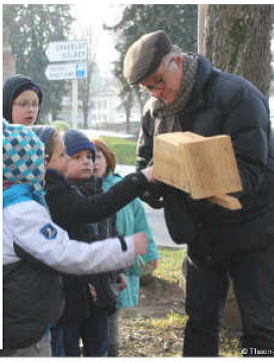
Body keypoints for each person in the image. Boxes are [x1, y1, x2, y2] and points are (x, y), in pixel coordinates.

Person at [123, 30, 274, 357]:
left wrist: (197, 178)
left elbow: (252, 170)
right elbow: (146, 161)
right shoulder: (154, 111)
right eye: (148, 88)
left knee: (259, 326)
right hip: (202, 232)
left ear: (176, 61)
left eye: (159, 81)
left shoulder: (237, 95)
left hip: (255, 227)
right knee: (200, 319)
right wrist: (152, 186)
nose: (157, 93)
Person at [2, 120, 148, 357]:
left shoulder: (20, 200)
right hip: (25, 330)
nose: (70, 161)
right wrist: (125, 249)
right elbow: (67, 253)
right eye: (63, 155)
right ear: (36, 162)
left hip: (31, 318)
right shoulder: (23, 210)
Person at [40, 128, 154, 356]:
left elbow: (105, 234)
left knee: (101, 346)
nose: (86, 162)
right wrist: (142, 178)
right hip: (70, 297)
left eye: (90, 156)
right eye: (72, 156)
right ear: (44, 161)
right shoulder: (57, 194)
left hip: (96, 294)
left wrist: (115, 270)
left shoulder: (91, 190)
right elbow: (91, 219)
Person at [92, 137, 159, 356]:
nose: (93, 162)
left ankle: (112, 351)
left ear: (108, 159)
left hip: (121, 266)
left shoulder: (124, 189)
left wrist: (150, 254)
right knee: (95, 317)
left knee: (113, 314)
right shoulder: (81, 191)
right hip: (94, 266)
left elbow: (141, 224)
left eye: (97, 156)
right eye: (86, 157)